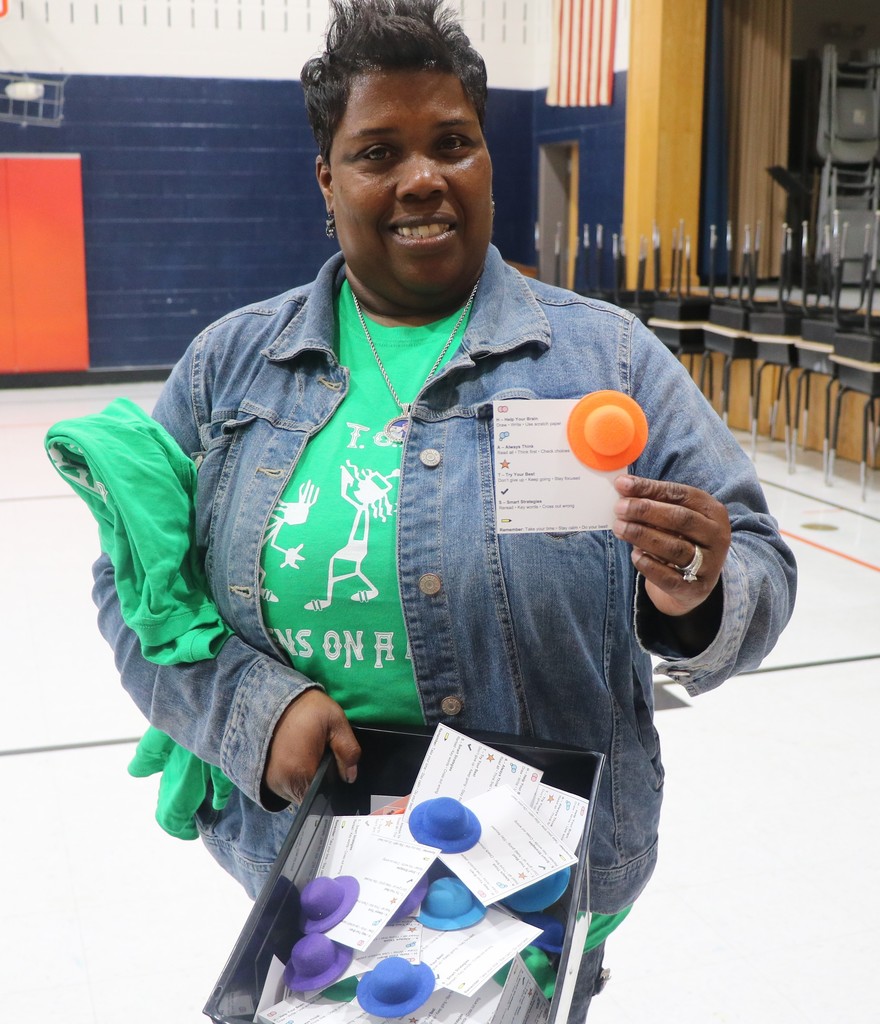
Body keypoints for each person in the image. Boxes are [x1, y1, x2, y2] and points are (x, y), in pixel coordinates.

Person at [90, 0, 797, 1017]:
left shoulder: (607, 359)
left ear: (486, 162)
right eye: (379, 151)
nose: (423, 176)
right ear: (326, 179)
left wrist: (697, 589)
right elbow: (134, 585)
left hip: (534, 886)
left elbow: (761, 565)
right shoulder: (226, 370)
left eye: (452, 143)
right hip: (312, 876)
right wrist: (252, 708)